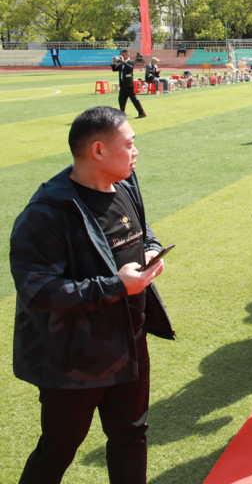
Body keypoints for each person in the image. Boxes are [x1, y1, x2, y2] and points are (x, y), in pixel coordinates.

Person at [10, 106, 173, 484]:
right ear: (98, 150)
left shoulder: (126, 184)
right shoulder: (46, 213)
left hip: (130, 343)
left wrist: (151, 248)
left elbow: (141, 229)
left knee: (131, 436)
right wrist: (117, 286)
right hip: (75, 360)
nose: (136, 152)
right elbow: (38, 291)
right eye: (129, 144)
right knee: (59, 447)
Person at [112, 50, 146, 119]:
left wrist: (123, 62)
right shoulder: (122, 63)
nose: (121, 56)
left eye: (123, 55)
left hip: (128, 84)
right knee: (121, 99)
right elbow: (114, 69)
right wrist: (114, 62)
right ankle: (122, 114)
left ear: (128, 55)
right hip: (123, 84)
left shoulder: (130, 62)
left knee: (134, 99)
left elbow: (130, 68)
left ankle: (142, 112)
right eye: (121, 55)